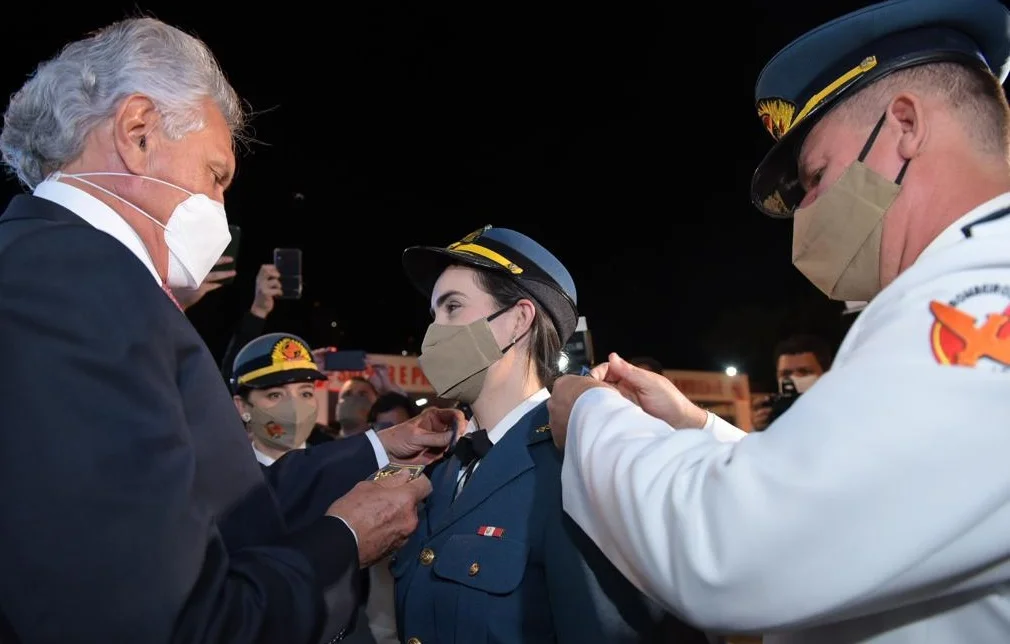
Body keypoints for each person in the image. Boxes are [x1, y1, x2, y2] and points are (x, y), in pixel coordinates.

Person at [548, 0, 1010, 641]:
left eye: (815, 177)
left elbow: (729, 552)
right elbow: (855, 500)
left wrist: (593, 417)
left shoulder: (983, 302)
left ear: (905, 125)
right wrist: (695, 425)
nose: (807, 217)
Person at [0, 18, 445, 643]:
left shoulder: (62, 273)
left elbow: (214, 503)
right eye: (217, 175)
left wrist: (375, 448)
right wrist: (342, 541)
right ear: (138, 133)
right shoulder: (72, 283)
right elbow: (168, 623)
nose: (221, 211)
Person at [393, 225, 709, 644]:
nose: (435, 331)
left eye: (453, 307)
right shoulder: (440, 468)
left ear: (519, 320)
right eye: (434, 314)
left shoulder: (579, 460)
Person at [231, 332, 337, 463]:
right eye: (275, 395)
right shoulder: (221, 477)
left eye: (305, 394)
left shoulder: (339, 472)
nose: (295, 408)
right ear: (242, 406)